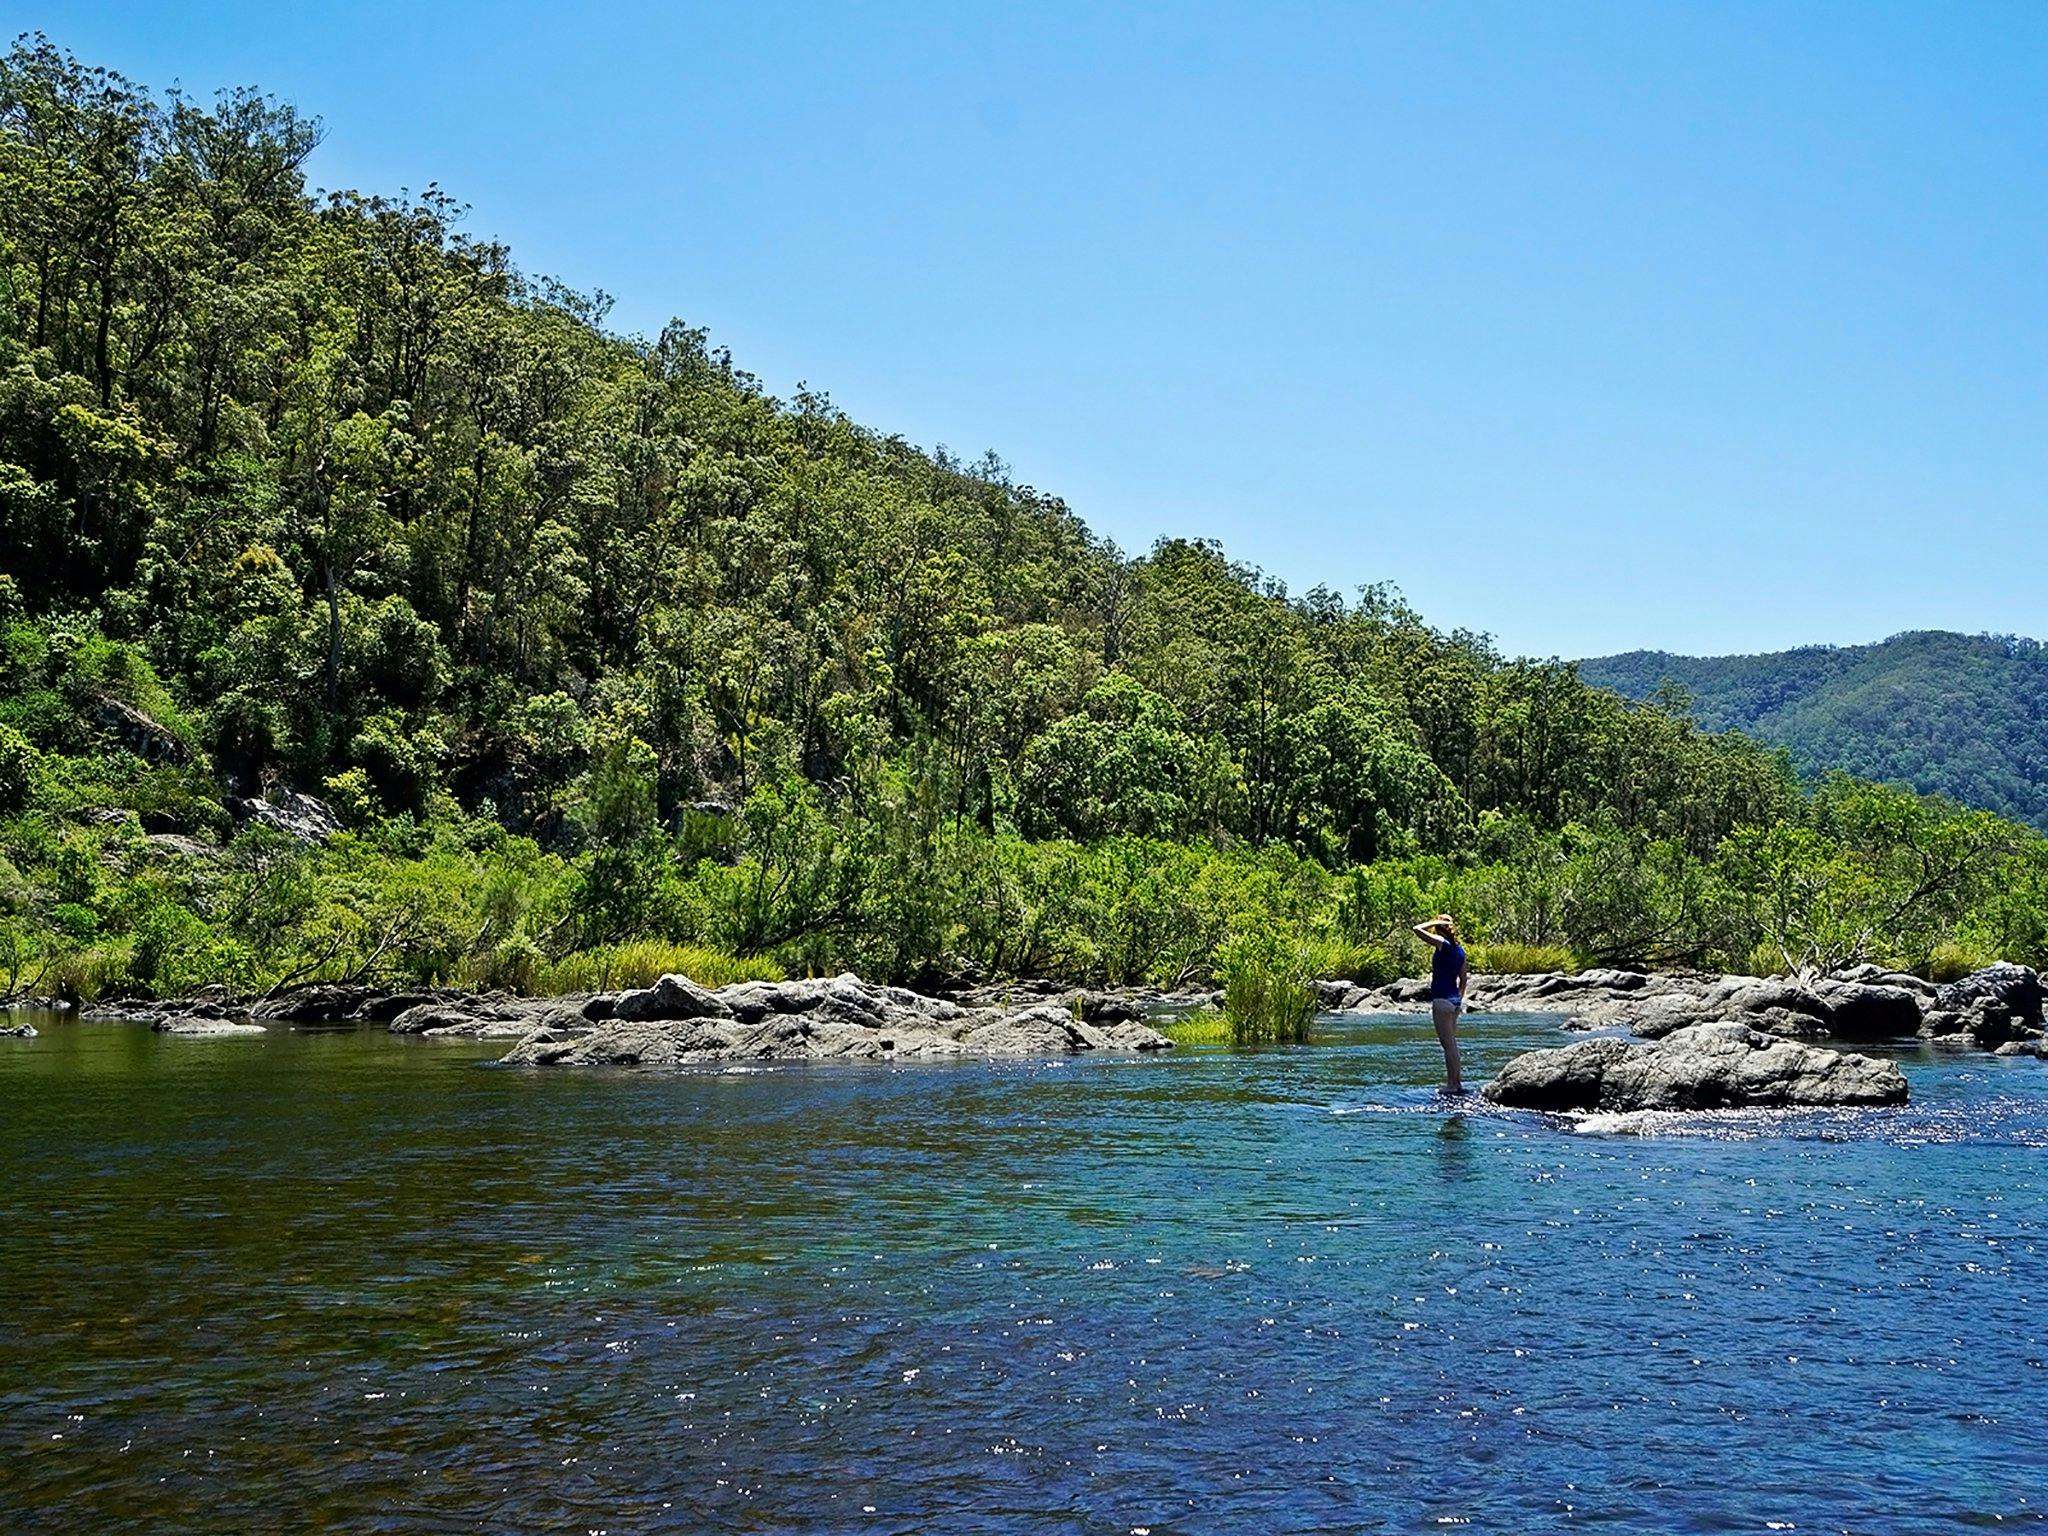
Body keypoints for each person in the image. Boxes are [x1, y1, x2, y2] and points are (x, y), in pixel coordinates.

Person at [1411, 913, 1467, 1094]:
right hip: (1453, 1000)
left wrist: (1436, 921)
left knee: (1447, 1044)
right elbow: (1463, 979)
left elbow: (1417, 929)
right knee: (1452, 1043)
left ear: (1439, 927)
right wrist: (1458, 1000)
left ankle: (1452, 1084)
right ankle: (1456, 1082)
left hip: (1442, 999)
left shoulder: (1443, 944)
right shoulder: (1460, 950)